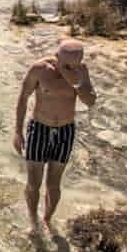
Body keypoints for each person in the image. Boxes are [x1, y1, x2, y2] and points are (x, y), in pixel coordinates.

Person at [13, 39, 97, 235]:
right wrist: (17, 131)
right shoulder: (39, 69)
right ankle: (33, 220)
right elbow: (23, 98)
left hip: (65, 131)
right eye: (66, 65)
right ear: (57, 56)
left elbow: (90, 101)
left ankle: (47, 219)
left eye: (74, 65)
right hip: (39, 129)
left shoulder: (81, 71)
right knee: (33, 183)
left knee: (53, 185)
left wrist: (75, 81)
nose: (70, 68)